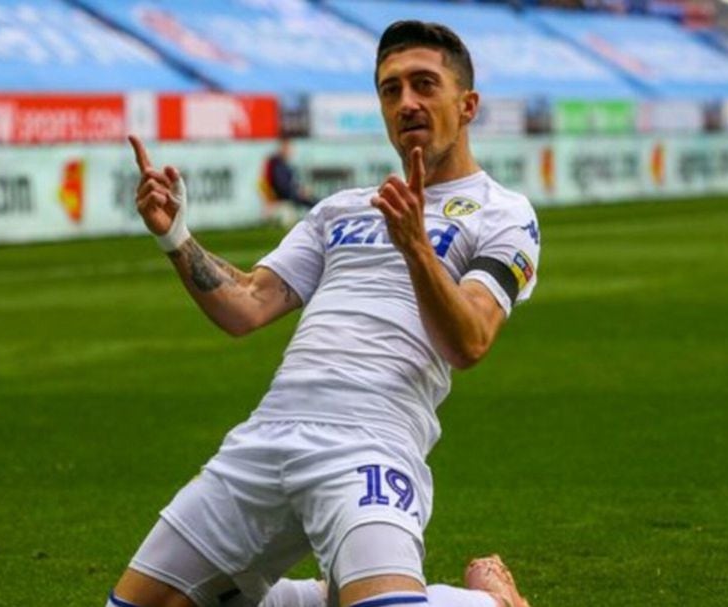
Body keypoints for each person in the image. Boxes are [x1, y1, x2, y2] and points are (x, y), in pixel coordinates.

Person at [113, 19, 541, 607]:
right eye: (391, 90)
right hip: (266, 435)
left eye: (424, 85)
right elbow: (247, 305)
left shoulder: (504, 215)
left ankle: (489, 604)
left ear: (467, 105)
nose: (407, 102)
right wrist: (176, 237)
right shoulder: (341, 210)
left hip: (370, 440)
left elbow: (469, 341)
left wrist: (417, 246)